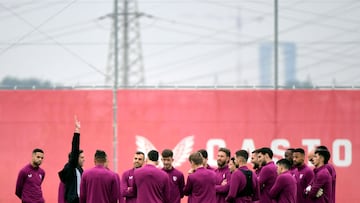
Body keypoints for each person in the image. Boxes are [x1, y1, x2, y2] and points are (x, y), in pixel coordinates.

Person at [58, 117, 85, 203]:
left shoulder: (81, 170)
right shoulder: (70, 167)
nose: (84, 159)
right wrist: (77, 131)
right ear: (75, 158)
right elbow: (74, 150)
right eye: (82, 157)